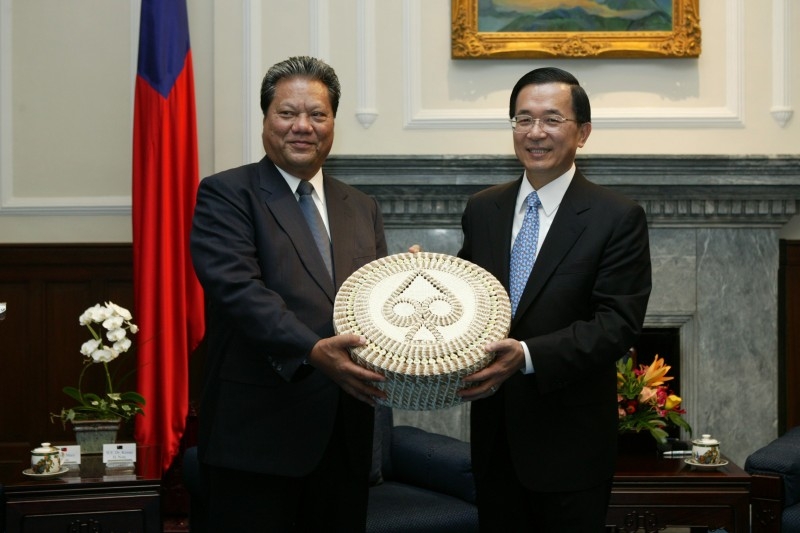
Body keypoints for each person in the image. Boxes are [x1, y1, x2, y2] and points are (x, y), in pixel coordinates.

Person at [190, 56, 388, 532]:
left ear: (333, 122)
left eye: (317, 114)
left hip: (345, 436)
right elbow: (239, 290)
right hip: (257, 437)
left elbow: (374, 300)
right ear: (265, 120)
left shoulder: (361, 206)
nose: (303, 126)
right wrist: (311, 350)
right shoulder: (226, 194)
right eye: (287, 113)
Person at [456, 67, 652, 532]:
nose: (535, 133)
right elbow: (470, 298)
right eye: (522, 120)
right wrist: (426, 279)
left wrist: (525, 356)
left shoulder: (617, 217)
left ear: (582, 132)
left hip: (571, 449)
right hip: (495, 440)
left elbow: (617, 323)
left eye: (551, 120)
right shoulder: (484, 209)